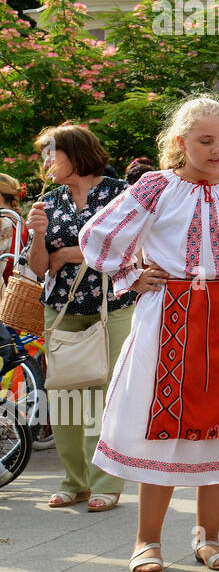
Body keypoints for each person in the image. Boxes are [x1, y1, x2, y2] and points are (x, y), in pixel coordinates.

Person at [79, 96, 219, 572]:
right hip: (172, 314)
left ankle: (208, 537)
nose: (216, 150)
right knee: (163, 428)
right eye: (205, 141)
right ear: (180, 142)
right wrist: (131, 276)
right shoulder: (157, 187)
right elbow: (98, 235)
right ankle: (147, 540)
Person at [26, 125, 137, 514]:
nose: (45, 163)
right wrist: (39, 237)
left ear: (75, 153)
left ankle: (106, 482)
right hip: (60, 309)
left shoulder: (118, 192)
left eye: (51, 154)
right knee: (66, 397)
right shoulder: (49, 201)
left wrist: (70, 252)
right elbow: (41, 267)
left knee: (107, 396)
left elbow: (126, 247)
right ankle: (74, 481)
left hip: (113, 304)